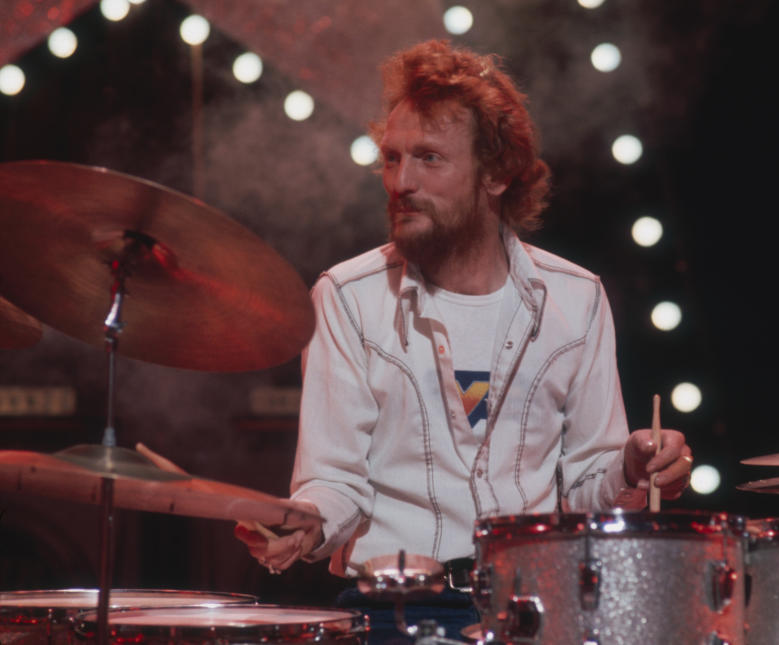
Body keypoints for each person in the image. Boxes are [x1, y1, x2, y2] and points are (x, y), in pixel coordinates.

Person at [235, 39, 693, 642]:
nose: (401, 181)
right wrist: (308, 523)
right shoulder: (345, 297)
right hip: (391, 612)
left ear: (497, 173)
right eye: (392, 158)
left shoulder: (576, 298)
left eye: (429, 159)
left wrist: (631, 467)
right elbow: (336, 478)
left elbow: (584, 482)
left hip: (536, 604)